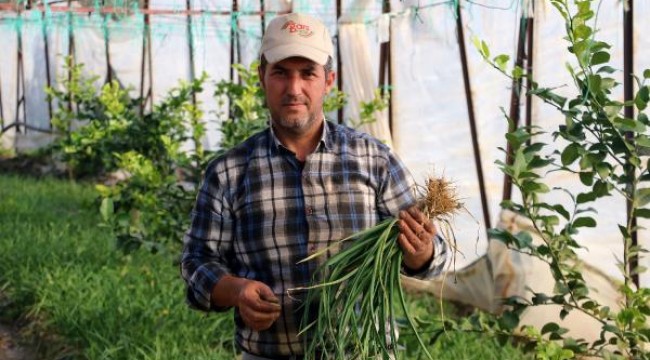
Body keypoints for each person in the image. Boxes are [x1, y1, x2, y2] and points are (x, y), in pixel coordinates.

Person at [180, 12, 448, 360]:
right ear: (262, 77)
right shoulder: (229, 172)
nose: (294, 89)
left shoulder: (374, 159)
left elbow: (433, 256)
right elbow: (197, 261)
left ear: (329, 80)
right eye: (281, 73)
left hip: (363, 352)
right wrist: (236, 290)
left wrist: (420, 250)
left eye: (308, 73)